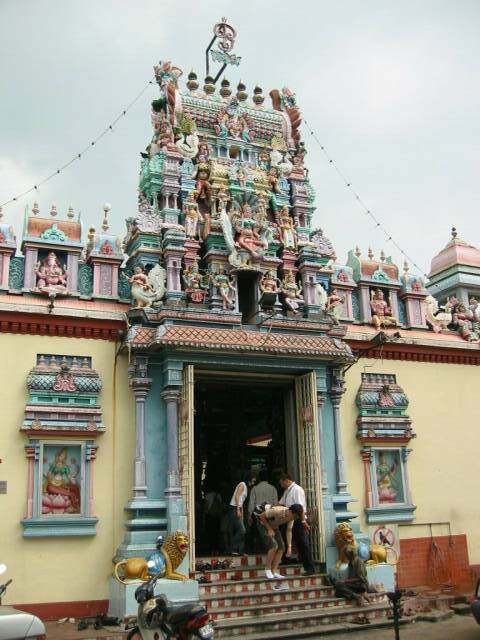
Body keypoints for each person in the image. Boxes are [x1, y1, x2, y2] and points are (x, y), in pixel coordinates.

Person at [278, 472, 316, 575]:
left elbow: (300, 508)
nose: (281, 485)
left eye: (282, 483)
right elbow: (281, 503)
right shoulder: (287, 491)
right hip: (289, 518)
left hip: (298, 519)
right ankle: (286, 559)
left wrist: (303, 521)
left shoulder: (297, 490)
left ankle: (310, 568)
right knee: (283, 539)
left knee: (302, 544)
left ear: (286, 480)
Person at [257, 504, 305, 584]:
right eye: (294, 516)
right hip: (263, 524)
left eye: (296, 517)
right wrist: (269, 529)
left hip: (274, 527)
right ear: (290, 511)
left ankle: (273, 571)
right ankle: (267, 569)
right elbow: (261, 516)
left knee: (282, 547)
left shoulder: (292, 518)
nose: (294, 518)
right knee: (274, 546)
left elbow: (289, 531)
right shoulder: (277, 511)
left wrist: (289, 546)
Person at [247, 468, 278, 553]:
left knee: (259, 535)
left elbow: (251, 504)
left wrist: (249, 516)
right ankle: (269, 550)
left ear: (259, 479)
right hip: (270, 515)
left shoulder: (255, 489)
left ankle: (259, 551)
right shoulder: (273, 489)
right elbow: (276, 504)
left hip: (258, 516)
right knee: (271, 534)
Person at [227, 473, 256, 556]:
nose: (253, 483)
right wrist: (237, 509)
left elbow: (241, 501)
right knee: (242, 530)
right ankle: (232, 548)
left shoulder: (246, 488)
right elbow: (237, 496)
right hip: (234, 508)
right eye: (253, 480)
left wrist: (242, 513)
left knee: (243, 531)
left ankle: (240, 551)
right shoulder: (242, 484)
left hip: (238, 508)